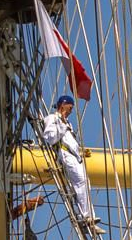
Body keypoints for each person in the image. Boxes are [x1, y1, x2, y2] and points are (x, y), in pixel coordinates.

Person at [41, 91, 95, 225]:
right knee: (80, 182)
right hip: (66, 155)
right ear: (63, 105)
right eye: (70, 108)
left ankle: (89, 215)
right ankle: (84, 216)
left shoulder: (67, 123)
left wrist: (80, 152)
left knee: (85, 183)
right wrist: (62, 124)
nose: (71, 111)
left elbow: (70, 141)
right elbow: (50, 138)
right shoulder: (52, 119)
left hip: (75, 156)